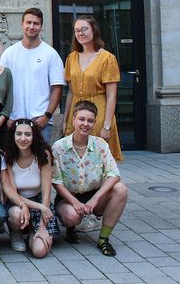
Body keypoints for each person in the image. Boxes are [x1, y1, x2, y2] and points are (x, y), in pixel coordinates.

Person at [52, 100, 128, 257]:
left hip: (95, 195)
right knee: (72, 216)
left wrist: (95, 199)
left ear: (94, 123)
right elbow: (56, 181)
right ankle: (71, 227)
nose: (85, 124)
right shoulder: (59, 147)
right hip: (69, 197)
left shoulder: (100, 145)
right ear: (73, 119)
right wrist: (74, 202)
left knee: (121, 189)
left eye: (90, 120)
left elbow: (114, 174)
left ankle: (103, 239)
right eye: (81, 119)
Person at [62, 15, 123, 162]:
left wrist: (107, 125)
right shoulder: (71, 58)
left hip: (99, 113)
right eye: (77, 30)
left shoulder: (107, 58)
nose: (80, 33)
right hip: (76, 113)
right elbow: (71, 92)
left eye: (84, 29)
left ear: (94, 30)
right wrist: (65, 120)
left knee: (99, 159)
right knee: (74, 159)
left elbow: (111, 96)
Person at [0, 8, 64, 144]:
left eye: (36, 23)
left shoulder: (51, 54)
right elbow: (2, 88)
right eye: (28, 22)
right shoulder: (9, 54)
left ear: (41, 26)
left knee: (42, 162)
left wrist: (47, 116)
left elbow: (57, 89)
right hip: (14, 121)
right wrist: (7, 117)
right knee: (13, 163)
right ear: (22, 24)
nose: (31, 26)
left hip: (41, 123)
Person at [2, 119, 59, 257]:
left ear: (34, 136)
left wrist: (41, 226)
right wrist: (37, 207)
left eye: (27, 134)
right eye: (19, 134)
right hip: (18, 203)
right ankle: (17, 233)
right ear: (13, 136)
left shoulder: (43, 154)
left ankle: (33, 234)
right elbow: (12, 192)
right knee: (16, 214)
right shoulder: (8, 155)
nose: (23, 138)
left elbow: (46, 192)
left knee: (39, 252)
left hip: (40, 202)